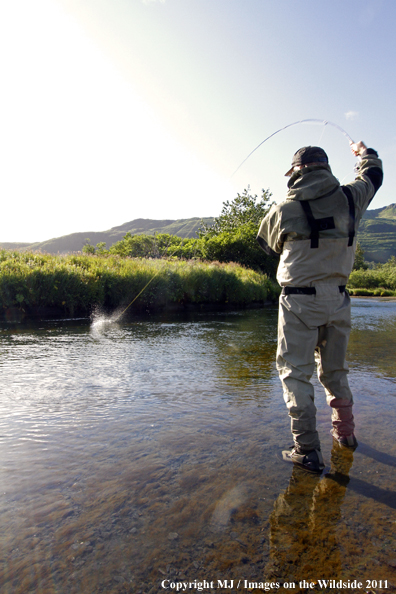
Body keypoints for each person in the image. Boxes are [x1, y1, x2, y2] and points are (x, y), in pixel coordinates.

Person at [257, 141, 383, 473]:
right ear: (325, 167)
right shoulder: (351, 197)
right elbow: (374, 175)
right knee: (335, 371)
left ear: (296, 171)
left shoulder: (282, 209)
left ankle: (307, 449)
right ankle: (346, 437)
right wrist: (363, 152)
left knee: (295, 374)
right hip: (338, 301)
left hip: (298, 300)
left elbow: (268, 248)